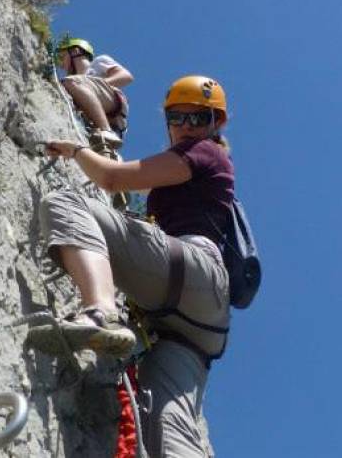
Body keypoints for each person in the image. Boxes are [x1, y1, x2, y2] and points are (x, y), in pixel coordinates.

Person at [29, 75, 234, 457]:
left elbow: (110, 178)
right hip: (200, 325)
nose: (187, 127)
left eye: (198, 118)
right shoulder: (203, 167)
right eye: (178, 117)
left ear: (215, 123)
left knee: (66, 204)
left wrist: (76, 151)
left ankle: (101, 312)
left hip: (190, 270)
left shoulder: (205, 153)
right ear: (168, 119)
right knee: (168, 428)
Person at [55, 37, 134, 146]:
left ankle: (106, 131)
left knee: (71, 81)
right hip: (104, 117)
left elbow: (126, 76)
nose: (62, 65)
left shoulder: (98, 62)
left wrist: (93, 83)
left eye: (62, 57)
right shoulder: (74, 82)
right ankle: (103, 137)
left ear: (75, 51)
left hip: (112, 103)